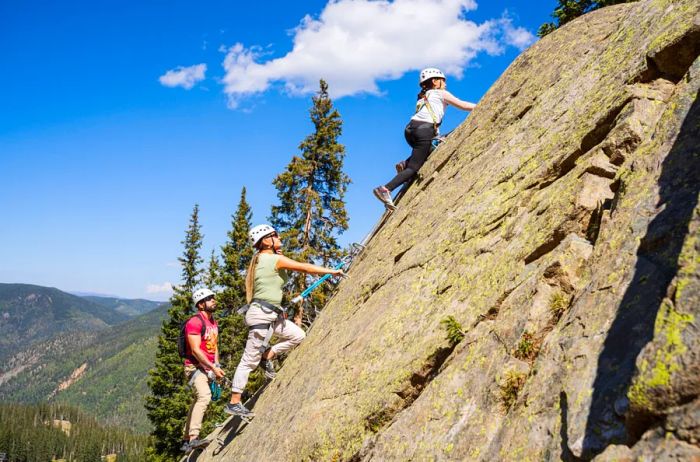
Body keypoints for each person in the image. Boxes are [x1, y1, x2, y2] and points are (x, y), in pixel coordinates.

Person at [224, 224, 344, 418]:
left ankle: (267, 356)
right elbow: (304, 267)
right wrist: (332, 271)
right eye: (275, 235)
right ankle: (234, 402)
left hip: (269, 313)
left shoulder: (262, 259)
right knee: (248, 361)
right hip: (262, 315)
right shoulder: (272, 259)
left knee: (298, 335)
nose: (280, 237)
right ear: (266, 240)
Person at [373, 67, 477, 208]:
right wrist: (482, 104)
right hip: (424, 130)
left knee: (427, 150)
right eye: (443, 81)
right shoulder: (441, 93)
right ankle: (385, 189)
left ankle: (405, 163)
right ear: (435, 81)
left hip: (410, 129)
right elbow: (463, 105)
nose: (445, 84)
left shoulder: (423, 97)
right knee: (415, 167)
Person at [181, 287, 225, 452]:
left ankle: (186, 440)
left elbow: (214, 346)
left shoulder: (213, 321)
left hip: (207, 366)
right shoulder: (195, 322)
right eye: (209, 298)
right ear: (200, 304)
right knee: (204, 396)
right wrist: (212, 367)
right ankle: (194, 438)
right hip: (194, 367)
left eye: (213, 297)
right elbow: (195, 350)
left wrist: (216, 365)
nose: (213, 300)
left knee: (197, 401)